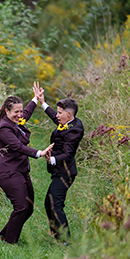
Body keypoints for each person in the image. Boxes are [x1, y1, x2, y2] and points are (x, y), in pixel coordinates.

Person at [0, 91, 52, 244]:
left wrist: (35, 99)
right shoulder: (5, 128)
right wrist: (39, 153)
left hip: (21, 171)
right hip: (9, 172)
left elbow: (27, 113)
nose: (19, 114)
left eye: (20, 111)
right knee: (22, 207)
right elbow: (17, 146)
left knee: (28, 208)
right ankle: (10, 242)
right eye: (16, 112)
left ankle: (3, 235)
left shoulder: (15, 122)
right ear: (7, 111)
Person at [33, 83, 84, 241]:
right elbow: (57, 120)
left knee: (55, 203)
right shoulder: (68, 123)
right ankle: (57, 236)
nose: (57, 115)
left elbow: (68, 155)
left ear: (69, 114)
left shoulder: (75, 130)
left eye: (60, 113)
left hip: (65, 172)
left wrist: (51, 159)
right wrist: (42, 103)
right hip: (59, 172)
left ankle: (65, 240)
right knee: (49, 203)